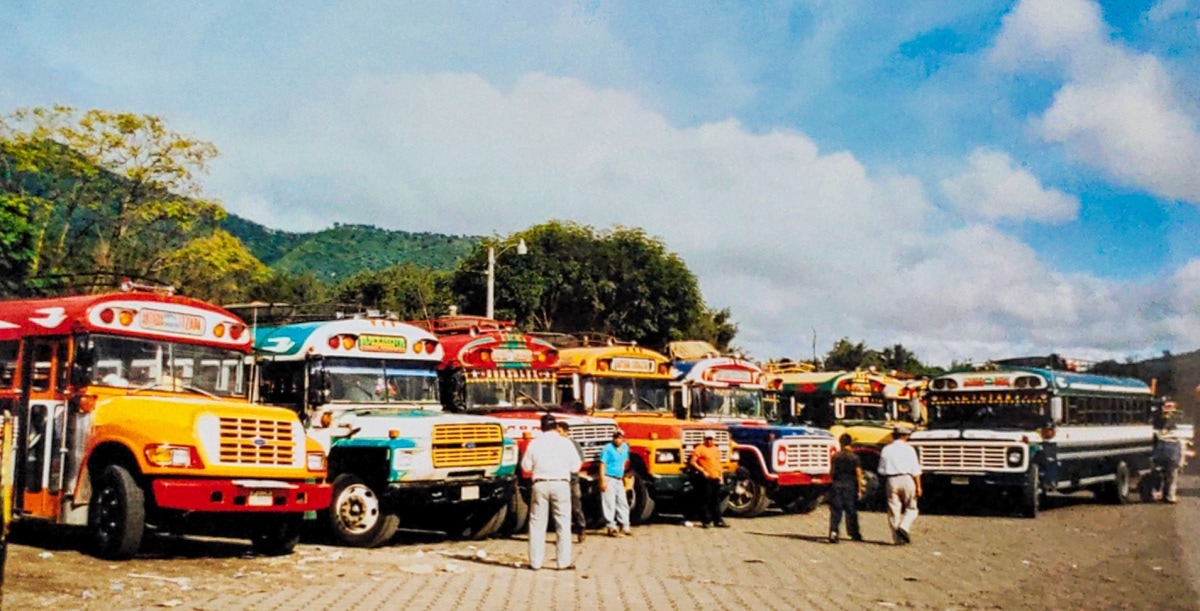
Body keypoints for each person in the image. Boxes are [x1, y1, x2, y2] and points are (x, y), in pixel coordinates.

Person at [521, 414, 583, 570]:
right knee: (563, 523)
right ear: (556, 426)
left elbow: (526, 466)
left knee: (537, 523)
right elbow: (575, 466)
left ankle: (535, 562)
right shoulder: (566, 443)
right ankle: (563, 562)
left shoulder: (535, 443)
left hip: (540, 483)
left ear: (541, 427)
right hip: (561, 483)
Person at [878, 425, 922, 544]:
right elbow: (915, 470)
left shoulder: (886, 449)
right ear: (906, 436)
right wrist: (919, 486)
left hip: (891, 480)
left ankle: (897, 539)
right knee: (912, 508)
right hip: (907, 479)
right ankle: (904, 527)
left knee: (894, 508)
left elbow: (881, 469)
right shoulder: (910, 450)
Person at [688, 432, 728, 528]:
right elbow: (692, 462)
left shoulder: (715, 449)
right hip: (705, 478)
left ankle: (718, 520)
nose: (709, 441)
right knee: (705, 499)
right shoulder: (700, 449)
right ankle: (706, 521)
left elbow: (718, 463)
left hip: (715, 477)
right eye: (707, 439)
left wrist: (721, 476)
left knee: (716, 500)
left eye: (711, 439)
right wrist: (702, 471)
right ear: (704, 439)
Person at [556, 420, 588, 543]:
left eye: (559, 431)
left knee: (576, 506)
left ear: (566, 432)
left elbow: (580, 461)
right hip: (559, 479)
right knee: (560, 508)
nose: (557, 434)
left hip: (572, 480)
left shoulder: (573, 444)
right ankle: (563, 534)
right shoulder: (555, 444)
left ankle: (581, 528)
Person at [828, 434, 863, 543]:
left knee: (836, 510)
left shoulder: (835, 456)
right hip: (850, 486)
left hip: (837, 485)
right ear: (851, 443)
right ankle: (854, 533)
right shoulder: (854, 457)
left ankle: (834, 532)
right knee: (851, 510)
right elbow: (858, 473)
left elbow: (831, 472)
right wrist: (860, 488)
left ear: (841, 443)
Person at [598, 430, 632, 536]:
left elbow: (625, 462)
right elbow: (602, 464)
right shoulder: (608, 448)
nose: (618, 440)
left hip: (619, 478)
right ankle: (611, 526)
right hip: (609, 477)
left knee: (622, 502)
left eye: (620, 438)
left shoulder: (625, 447)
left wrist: (627, 477)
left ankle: (625, 525)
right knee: (609, 503)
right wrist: (602, 481)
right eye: (616, 438)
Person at [1153, 421, 1185, 503]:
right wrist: (1181, 463)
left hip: (1161, 460)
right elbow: (1182, 452)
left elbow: (1157, 450)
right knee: (1172, 479)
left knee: (1162, 479)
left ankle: (1161, 495)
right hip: (1173, 460)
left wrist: (1156, 461)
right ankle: (1170, 497)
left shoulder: (1161, 438)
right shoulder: (1178, 439)